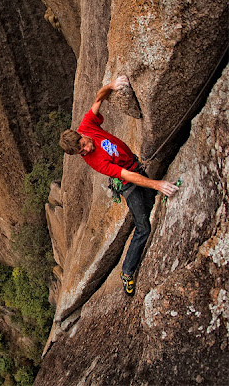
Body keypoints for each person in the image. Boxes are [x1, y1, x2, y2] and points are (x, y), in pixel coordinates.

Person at [59, 76, 179, 296]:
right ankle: (127, 271)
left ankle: (152, 196)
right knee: (143, 227)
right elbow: (128, 176)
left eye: (83, 145)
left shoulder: (87, 125)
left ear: (82, 135)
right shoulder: (95, 161)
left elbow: (98, 97)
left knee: (151, 205)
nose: (85, 151)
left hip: (134, 166)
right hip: (127, 183)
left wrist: (112, 85)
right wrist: (158, 184)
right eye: (81, 152)